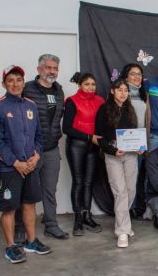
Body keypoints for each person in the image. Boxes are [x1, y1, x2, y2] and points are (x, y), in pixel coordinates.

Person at [0, 65, 51, 264]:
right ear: (4, 84)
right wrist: (15, 162)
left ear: (23, 82)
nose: (15, 84)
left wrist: (35, 157)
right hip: (9, 168)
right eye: (10, 80)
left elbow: (38, 137)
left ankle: (31, 241)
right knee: (9, 208)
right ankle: (10, 246)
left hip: (30, 166)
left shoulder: (31, 105)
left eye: (18, 79)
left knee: (29, 204)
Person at [15, 54, 68, 241]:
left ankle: (51, 224)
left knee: (49, 189)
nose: (52, 71)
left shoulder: (58, 90)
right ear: (39, 70)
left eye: (55, 68)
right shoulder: (27, 89)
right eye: (48, 68)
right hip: (31, 151)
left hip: (52, 148)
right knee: (27, 190)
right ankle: (20, 227)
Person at [95, 79, 140, 248]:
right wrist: (113, 151)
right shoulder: (104, 109)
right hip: (113, 155)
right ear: (113, 91)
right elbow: (99, 138)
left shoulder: (130, 109)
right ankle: (122, 231)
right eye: (119, 89)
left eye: (125, 90)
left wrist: (139, 147)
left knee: (130, 190)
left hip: (130, 155)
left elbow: (133, 134)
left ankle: (125, 223)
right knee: (120, 192)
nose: (123, 93)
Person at [63, 72, 104, 236]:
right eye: (87, 84)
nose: (90, 87)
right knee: (79, 182)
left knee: (88, 183)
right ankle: (78, 219)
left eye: (93, 84)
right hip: (77, 145)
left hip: (93, 147)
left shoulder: (100, 101)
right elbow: (67, 129)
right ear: (80, 85)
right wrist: (89, 137)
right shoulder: (72, 101)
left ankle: (87, 216)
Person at [119, 63, 150, 218]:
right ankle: (123, 212)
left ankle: (133, 208)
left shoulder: (144, 94)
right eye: (133, 74)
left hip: (140, 144)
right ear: (126, 76)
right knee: (123, 181)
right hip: (124, 144)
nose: (137, 77)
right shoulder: (121, 94)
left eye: (139, 74)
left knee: (136, 179)